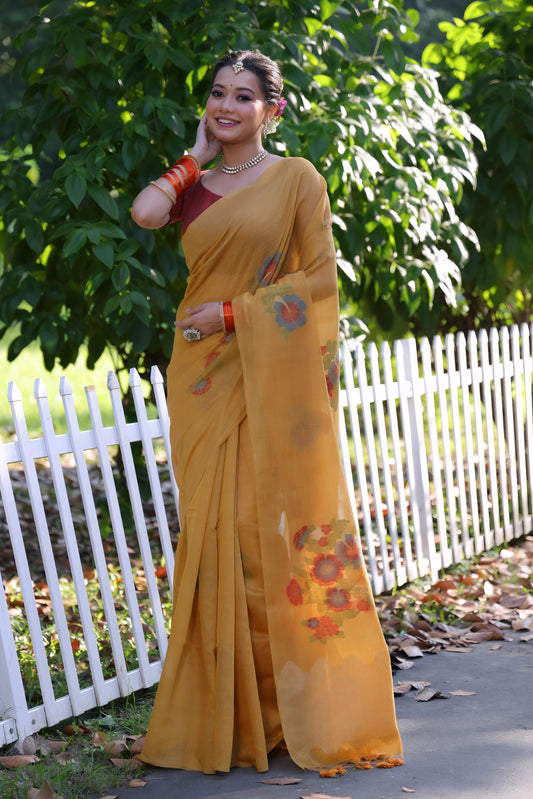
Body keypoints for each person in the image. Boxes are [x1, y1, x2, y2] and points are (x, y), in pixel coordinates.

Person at [131, 49, 402, 775]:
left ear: (271, 110)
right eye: (216, 93)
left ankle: (279, 712)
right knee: (210, 536)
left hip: (260, 369)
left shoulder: (295, 180)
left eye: (242, 97)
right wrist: (190, 162)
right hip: (200, 384)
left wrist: (229, 312)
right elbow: (145, 212)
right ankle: (222, 717)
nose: (225, 107)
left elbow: (316, 279)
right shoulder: (195, 184)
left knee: (258, 539)